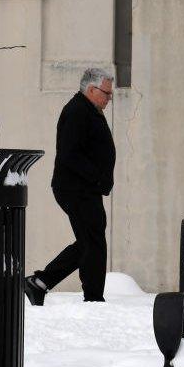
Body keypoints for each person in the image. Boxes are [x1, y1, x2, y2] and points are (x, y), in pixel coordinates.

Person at [25, 68, 116, 305]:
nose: (110, 98)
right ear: (91, 90)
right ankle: (93, 298)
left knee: (89, 241)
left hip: (86, 189)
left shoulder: (89, 110)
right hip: (76, 189)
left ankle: (40, 283)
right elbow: (69, 154)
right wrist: (97, 178)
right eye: (107, 93)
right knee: (93, 241)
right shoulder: (77, 111)